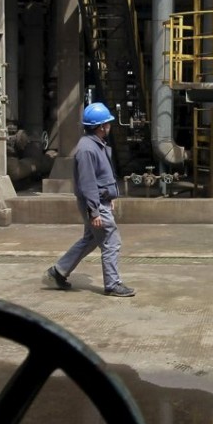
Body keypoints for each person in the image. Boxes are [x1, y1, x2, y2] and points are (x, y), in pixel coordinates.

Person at [43, 102, 135, 297]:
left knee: (90, 239)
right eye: (107, 123)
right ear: (101, 126)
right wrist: (94, 211)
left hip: (100, 201)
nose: (109, 126)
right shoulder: (87, 149)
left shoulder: (95, 145)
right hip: (95, 204)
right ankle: (112, 284)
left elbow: (101, 177)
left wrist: (110, 196)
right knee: (111, 241)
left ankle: (58, 272)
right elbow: (88, 183)